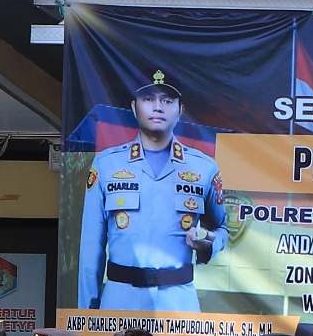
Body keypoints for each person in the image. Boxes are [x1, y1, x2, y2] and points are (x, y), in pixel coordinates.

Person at [77, 68, 225, 311]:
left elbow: (221, 228)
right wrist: (87, 314)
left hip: (178, 301)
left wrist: (208, 243)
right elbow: (91, 249)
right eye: (148, 99)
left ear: (181, 110)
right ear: (134, 108)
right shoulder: (106, 164)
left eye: (167, 101)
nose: (157, 107)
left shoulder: (204, 167)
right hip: (120, 299)